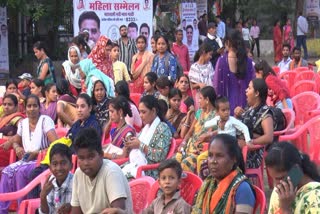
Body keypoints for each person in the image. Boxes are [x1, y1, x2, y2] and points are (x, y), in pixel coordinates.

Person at [0, 95, 58, 211]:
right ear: (25, 108)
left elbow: (56, 144)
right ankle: (2, 209)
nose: (32, 109)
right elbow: (17, 139)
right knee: (6, 171)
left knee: (21, 172)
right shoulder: (23, 123)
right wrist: (16, 147)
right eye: (29, 106)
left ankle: (23, 209)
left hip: (41, 159)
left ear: (39, 108)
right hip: (26, 159)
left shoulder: (45, 121)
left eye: (35, 106)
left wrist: (37, 153)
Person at [71, 128, 133, 213]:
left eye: (90, 157)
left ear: (101, 155)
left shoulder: (111, 172)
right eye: (81, 158)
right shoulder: (78, 174)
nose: (86, 163)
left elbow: (118, 211)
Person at [192, 134, 256, 214]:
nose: (213, 161)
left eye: (219, 156)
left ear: (234, 159)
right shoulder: (209, 183)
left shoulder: (242, 189)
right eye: (210, 155)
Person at [122, 95, 172, 179]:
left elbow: (160, 156)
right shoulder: (146, 128)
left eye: (143, 112)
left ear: (153, 111)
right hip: (137, 165)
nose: (140, 115)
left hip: (150, 171)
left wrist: (140, 145)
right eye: (140, 112)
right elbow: (138, 146)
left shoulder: (163, 129)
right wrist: (130, 144)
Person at [266, 142, 320, 214]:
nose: (276, 185)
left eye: (279, 178)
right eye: (273, 178)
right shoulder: (280, 192)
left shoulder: (315, 198)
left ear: (296, 170)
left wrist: (285, 209)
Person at [234, 79, 274, 168]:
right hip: (239, 148)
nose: (246, 90)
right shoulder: (249, 108)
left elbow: (269, 137)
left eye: (249, 88)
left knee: (223, 161)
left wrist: (249, 142)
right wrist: (236, 116)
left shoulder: (265, 112)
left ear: (256, 93)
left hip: (251, 154)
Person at [175, 86, 216, 173]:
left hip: (200, 151)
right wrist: (183, 143)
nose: (198, 101)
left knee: (185, 164)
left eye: (200, 98)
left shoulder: (215, 116)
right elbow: (190, 132)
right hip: (189, 147)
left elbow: (210, 136)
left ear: (207, 100)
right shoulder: (199, 112)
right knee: (174, 161)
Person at [213, 31, 255, 114]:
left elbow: (216, 86)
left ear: (227, 43)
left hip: (226, 108)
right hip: (245, 106)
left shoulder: (221, 61)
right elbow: (253, 84)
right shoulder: (249, 62)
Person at [39, 144, 73, 214]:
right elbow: (46, 212)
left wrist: (71, 207)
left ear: (71, 166)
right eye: (55, 164)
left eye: (63, 163)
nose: (59, 168)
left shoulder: (76, 182)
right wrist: (43, 196)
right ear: (50, 168)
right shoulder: (50, 182)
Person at [0, 94, 25, 168]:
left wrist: (7, 138)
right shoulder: (3, 118)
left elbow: (24, 132)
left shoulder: (17, 118)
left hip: (9, 150)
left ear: (16, 107)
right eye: (4, 104)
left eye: (10, 105)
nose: (6, 107)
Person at [189, 43, 215, 109]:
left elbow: (213, 80)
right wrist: (199, 84)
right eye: (210, 54)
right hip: (199, 97)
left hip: (210, 96)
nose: (211, 57)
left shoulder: (209, 65)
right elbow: (191, 86)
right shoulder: (194, 67)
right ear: (204, 53)